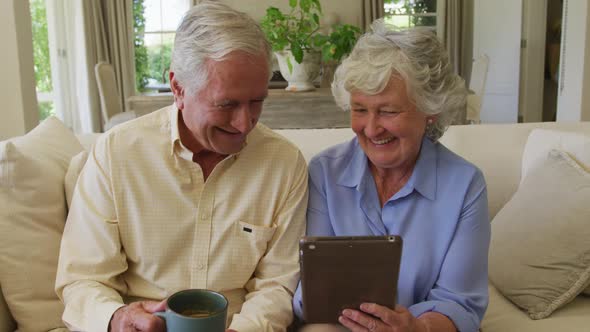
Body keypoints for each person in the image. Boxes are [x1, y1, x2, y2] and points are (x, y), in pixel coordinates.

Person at [55, 2, 308, 332]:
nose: (245, 123)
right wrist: (117, 318)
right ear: (178, 88)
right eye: (227, 104)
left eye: (257, 101)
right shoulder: (117, 153)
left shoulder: (284, 164)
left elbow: (277, 285)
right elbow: (82, 279)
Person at [293, 20, 490, 332]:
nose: (371, 129)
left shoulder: (465, 185)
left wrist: (417, 328)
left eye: (388, 111)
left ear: (430, 111)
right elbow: (311, 288)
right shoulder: (325, 172)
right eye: (359, 110)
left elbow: (460, 302)